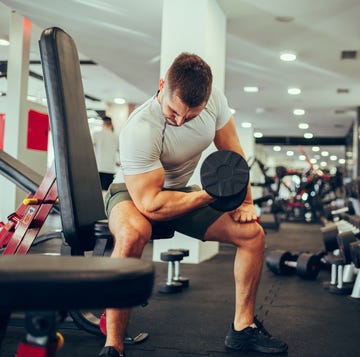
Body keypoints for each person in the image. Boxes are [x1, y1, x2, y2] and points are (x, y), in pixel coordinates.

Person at [99, 53, 288, 357]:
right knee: (133, 234)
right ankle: (113, 346)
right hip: (135, 193)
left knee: (253, 235)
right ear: (162, 85)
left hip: (182, 191)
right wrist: (210, 195)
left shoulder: (214, 102)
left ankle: (242, 329)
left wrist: (246, 202)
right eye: (174, 111)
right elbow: (151, 204)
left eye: (191, 116)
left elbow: (233, 153)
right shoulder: (140, 129)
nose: (180, 120)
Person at [92, 116, 119, 193]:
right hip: (109, 168)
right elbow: (119, 151)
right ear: (111, 124)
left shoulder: (96, 134)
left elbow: (92, 150)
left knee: (96, 191)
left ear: (103, 124)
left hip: (98, 167)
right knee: (106, 191)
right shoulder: (116, 137)